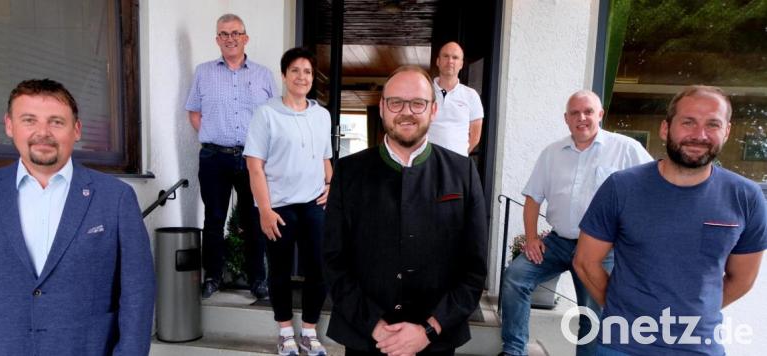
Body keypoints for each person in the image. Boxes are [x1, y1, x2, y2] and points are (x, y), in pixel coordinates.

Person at [0, 79, 155, 355]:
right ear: (9, 125)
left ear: (76, 130)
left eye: (56, 122)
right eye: (29, 120)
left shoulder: (115, 198)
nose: (43, 133)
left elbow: (138, 293)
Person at [574, 85, 767, 356]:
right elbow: (585, 262)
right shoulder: (621, 188)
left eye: (712, 124)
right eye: (688, 122)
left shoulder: (746, 197)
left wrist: (693, 317)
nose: (699, 135)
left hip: (700, 347)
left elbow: (742, 279)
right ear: (666, 129)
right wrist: (623, 313)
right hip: (622, 346)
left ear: (726, 132)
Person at [324, 65, 488, 356]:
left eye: (418, 103)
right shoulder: (349, 172)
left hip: (435, 342)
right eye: (396, 102)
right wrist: (377, 327)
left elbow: (473, 270)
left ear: (433, 110)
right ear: (382, 108)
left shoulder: (462, 173)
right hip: (367, 339)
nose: (406, 112)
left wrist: (428, 330)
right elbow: (334, 262)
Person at [500, 90, 652, 356]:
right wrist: (532, 238)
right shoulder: (552, 153)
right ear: (566, 119)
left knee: (593, 313)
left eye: (588, 111)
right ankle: (514, 349)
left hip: (601, 249)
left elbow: (652, 190)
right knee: (516, 277)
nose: (582, 118)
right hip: (558, 242)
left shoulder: (626, 149)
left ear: (600, 114)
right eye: (575, 113)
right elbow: (533, 198)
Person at [244, 47, 332, 356]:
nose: (301, 76)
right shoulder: (266, 114)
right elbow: (255, 166)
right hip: (279, 206)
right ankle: (285, 332)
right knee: (280, 270)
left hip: (313, 204)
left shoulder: (321, 115)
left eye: (307, 72)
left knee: (318, 269)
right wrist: (264, 210)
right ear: (284, 75)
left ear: (313, 78)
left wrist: (331, 185)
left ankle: (308, 331)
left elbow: (325, 158)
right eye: (295, 70)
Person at [185, 13, 276, 299]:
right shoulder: (203, 72)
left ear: (245, 37)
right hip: (214, 157)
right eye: (224, 34)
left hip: (253, 160)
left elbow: (273, 118)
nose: (230, 38)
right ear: (217, 40)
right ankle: (213, 277)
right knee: (213, 219)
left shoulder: (263, 75)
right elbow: (194, 113)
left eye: (235, 33)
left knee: (254, 220)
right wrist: (214, 135)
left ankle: (258, 280)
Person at [426, 41, 484, 156]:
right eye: (446, 56)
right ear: (438, 61)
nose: (450, 61)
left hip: (457, 161)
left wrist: (459, 155)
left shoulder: (471, 95)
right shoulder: (424, 92)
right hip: (428, 160)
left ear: (461, 64)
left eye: (455, 57)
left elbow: (475, 136)